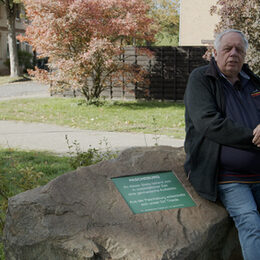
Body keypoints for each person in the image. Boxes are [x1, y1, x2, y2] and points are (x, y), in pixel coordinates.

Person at [184, 29, 260, 260]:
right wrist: (252, 137)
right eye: (228, 49)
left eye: (239, 50)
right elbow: (208, 123)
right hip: (227, 175)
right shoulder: (201, 79)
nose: (233, 54)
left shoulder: (254, 82)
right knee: (251, 223)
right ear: (215, 52)